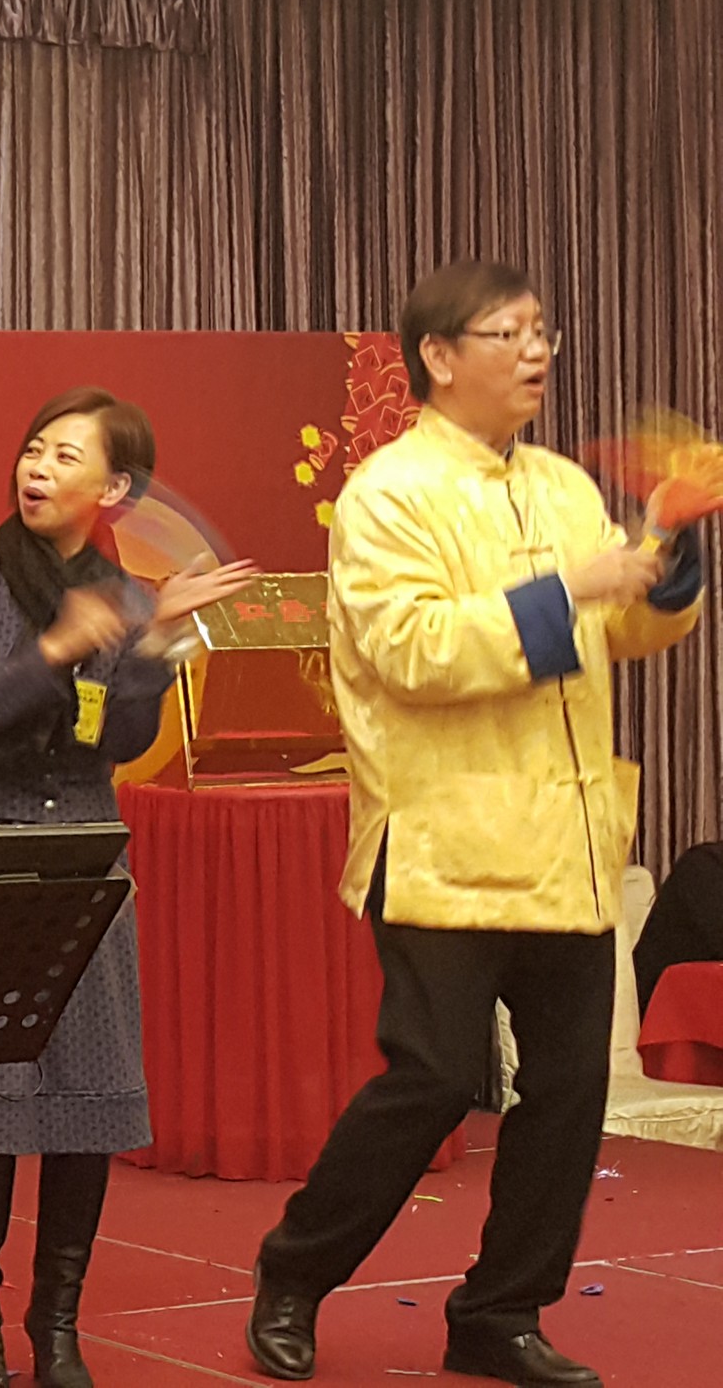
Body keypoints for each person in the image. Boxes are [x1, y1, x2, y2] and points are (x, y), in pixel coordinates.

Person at [248, 262, 707, 1388]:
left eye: (543, 330)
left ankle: (500, 1312)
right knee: (435, 1077)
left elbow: (629, 632)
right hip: (443, 841)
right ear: (440, 357)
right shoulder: (388, 494)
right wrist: (570, 589)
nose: (537, 351)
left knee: (568, 1096)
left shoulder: (561, 486)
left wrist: (670, 556)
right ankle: (294, 1271)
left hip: (565, 840)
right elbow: (416, 653)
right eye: (509, 332)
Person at [0, 388, 256, 1388]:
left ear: (116, 488)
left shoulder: (127, 592)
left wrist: (152, 642)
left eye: (65, 456)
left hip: (84, 857)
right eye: (33, 450)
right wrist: (57, 646)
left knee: (86, 1099)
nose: (38, 469)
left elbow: (122, 740)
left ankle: (57, 1325)